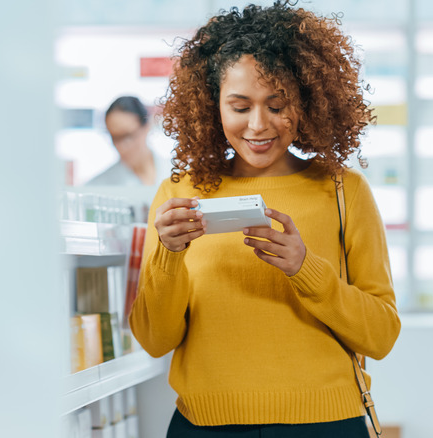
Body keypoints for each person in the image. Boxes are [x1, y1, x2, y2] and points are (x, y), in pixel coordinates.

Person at [129, 2, 400, 437]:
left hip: (325, 425)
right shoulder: (178, 194)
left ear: (307, 102)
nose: (258, 125)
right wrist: (169, 253)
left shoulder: (343, 190)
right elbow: (154, 339)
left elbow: (382, 336)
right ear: (212, 106)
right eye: (240, 106)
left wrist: (305, 268)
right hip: (205, 427)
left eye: (278, 105)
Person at [85, 96, 171, 186]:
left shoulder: (179, 174)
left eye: (128, 136)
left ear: (146, 128)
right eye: (115, 138)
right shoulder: (97, 186)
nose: (122, 146)